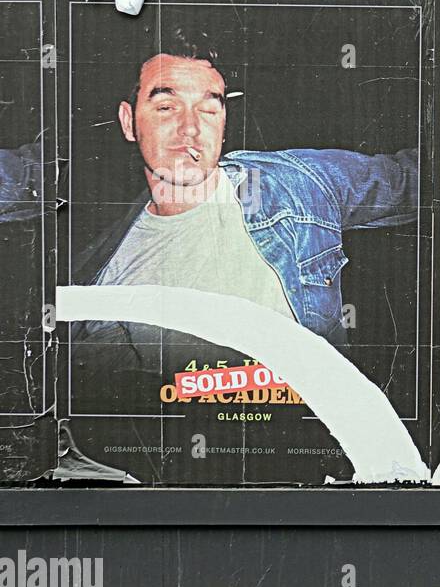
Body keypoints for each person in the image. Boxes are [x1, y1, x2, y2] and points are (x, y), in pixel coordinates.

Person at [71, 28, 419, 350]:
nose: (190, 128)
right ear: (129, 122)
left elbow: (415, 180)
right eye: (166, 107)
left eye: (208, 109)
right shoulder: (106, 276)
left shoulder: (296, 184)